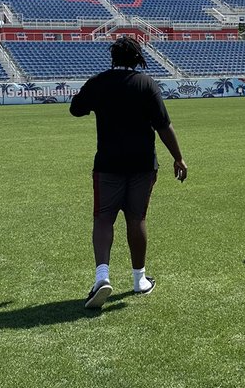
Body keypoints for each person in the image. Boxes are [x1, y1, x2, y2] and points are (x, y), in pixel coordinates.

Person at [69, 35, 187, 309]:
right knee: (137, 219)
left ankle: (102, 277)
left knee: (103, 219)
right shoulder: (147, 84)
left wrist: (94, 96)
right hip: (142, 164)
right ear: (137, 59)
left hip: (108, 163)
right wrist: (179, 158)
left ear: (113, 58)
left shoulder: (99, 82)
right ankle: (139, 280)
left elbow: (76, 109)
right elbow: (163, 126)